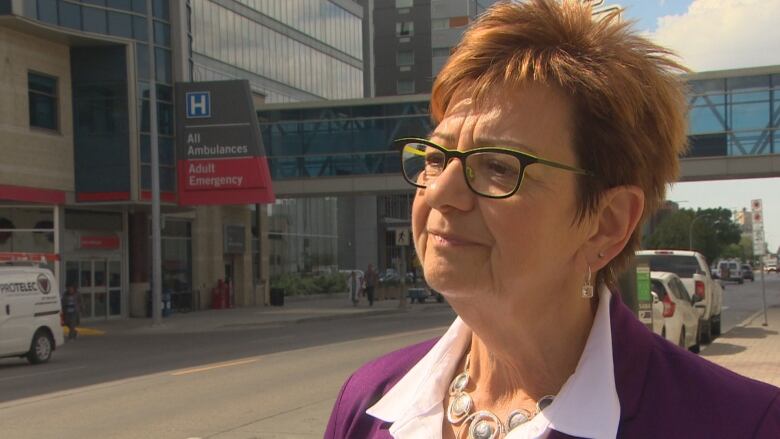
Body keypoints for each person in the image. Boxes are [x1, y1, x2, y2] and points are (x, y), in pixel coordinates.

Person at [325, 1, 780, 438]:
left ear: (607, 223)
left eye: (499, 167)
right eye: (435, 158)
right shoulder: (367, 402)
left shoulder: (744, 424)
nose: (441, 193)